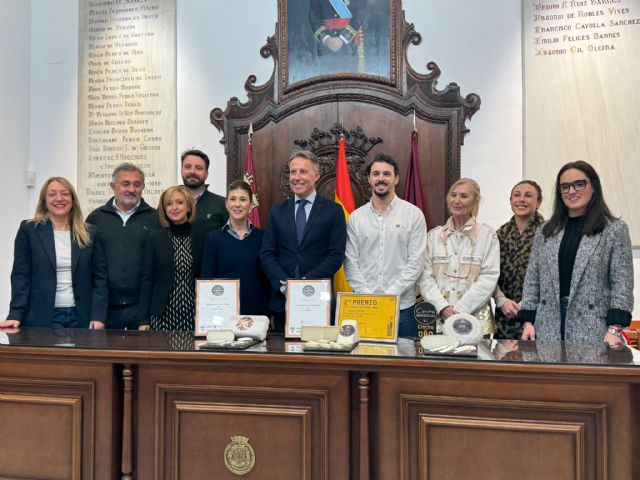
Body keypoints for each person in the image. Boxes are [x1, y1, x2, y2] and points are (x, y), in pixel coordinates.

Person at [519, 161, 634, 346]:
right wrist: (528, 321)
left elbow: (622, 284)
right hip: (547, 324)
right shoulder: (545, 231)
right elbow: (533, 279)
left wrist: (615, 328)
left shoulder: (614, 230)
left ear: (593, 186)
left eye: (579, 184)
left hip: (595, 326)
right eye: (565, 187)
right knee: (551, 375)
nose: (572, 191)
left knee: (586, 375)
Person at [2, 177, 107, 329]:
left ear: (72, 199)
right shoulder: (29, 230)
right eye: (52, 194)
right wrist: (15, 314)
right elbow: (21, 276)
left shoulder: (89, 232)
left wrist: (98, 316)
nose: (59, 198)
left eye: (65, 193)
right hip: (42, 316)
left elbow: (100, 279)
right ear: (44, 201)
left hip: (82, 316)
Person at [260, 150, 347, 332]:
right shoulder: (277, 211)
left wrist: (305, 284)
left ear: (316, 176)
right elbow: (267, 253)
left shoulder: (333, 211)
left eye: (303, 172)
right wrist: (285, 285)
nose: (296, 177)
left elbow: (336, 255)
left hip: (318, 299)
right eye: (292, 172)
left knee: (319, 357)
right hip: (283, 300)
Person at [344, 154, 427, 339]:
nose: (381, 178)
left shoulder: (413, 215)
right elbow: (350, 262)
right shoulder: (356, 218)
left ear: (396, 179)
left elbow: (416, 262)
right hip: (364, 307)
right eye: (376, 174)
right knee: (364, 363)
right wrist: (369, 299)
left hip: (402, 308)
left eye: (387, 174)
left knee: (402, 365)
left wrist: (389, 297)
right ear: (369, 179)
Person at [417, 178, 500, 335]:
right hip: (438, 318)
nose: (456, 200)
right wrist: (442, 307)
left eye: (463, 196)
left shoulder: (487, 235)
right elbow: (424, 276)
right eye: (453, 195)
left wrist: (460, 310)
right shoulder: (434, 236)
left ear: (475, 201)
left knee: (475, 359)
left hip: (475, 321)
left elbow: (489, 277)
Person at [86, 163, 161, 329]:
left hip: (142, 309)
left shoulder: (156, 219)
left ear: (143, 187)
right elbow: (87, 264)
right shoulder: (95, 219)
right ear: (113, 186)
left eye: (137, 184)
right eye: (125, 184)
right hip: (106, 309)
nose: (131, 189)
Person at [138, 186, 206, 332]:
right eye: (169, 204)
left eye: (179, 202)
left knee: (193, 354)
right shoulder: (155, 238)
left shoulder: (203, 238)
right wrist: (143, 319)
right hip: (162, 315)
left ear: (188, 206)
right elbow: (147, 280)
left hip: (195, 315)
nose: (174, 207)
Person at [201, 180, 270, 315]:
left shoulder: (263, 238)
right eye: (233, 199)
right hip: (222, 314)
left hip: (257, 315)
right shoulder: (213, 239)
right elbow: (207, 281)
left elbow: (267, 280)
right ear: (227, 204)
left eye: (243, 199)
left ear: (251, 204)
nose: (237, 204)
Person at [493, 180, 544, 339]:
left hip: (538, 316)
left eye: (528, 196)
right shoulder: (500, 233)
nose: (521, 199)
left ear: (538, 202)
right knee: (504, 361)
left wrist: (527, 304)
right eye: (517, 195)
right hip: (505, 315)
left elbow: (554, 277)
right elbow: (488, 272)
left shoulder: (550, 233)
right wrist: (501, 301)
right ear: (510, 201)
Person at [180, 149, 228, 234]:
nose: (192, 171)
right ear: (181, 171)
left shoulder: (223, 204)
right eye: (188, 167)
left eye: (198, 168)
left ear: (206, 174)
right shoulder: (168, 203)